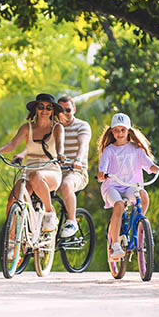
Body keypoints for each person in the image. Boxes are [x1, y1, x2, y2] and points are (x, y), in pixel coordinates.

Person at [97, 113, 159, 260]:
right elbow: (102, 170)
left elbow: (150, 166)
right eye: (116, 130)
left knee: (144, 197)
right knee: (118, 205)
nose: (119, 133)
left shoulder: (136, 149)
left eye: (123, 130)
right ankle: (116, 245)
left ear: (129, 131)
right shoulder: (109, 150)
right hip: (112, 186)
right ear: (111, 131)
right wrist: (101, 175)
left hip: (131, 186)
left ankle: (139, 226)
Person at [0, 93, 65, 232]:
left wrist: (60, 154)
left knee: (37, 176)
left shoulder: (57, 128)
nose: (44, 110)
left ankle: (49, 213)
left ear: (53, 110)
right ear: (35, 109)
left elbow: (60, 144)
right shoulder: (27, 128)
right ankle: (12, 242)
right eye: (41, 107)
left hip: (50, 170)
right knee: (13, 200)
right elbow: (13, 144)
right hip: (28, 170)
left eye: (48, 108)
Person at [57, 95, 92, 238]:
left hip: (76, 171)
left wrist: (78, 159)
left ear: (74, 109)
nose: (64, 113)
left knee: (66, 185)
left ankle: (72, 221)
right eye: (61, 110)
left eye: (68, 110)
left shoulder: (82, 126)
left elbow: (83, 145)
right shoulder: (53, 127)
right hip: (56, 171)